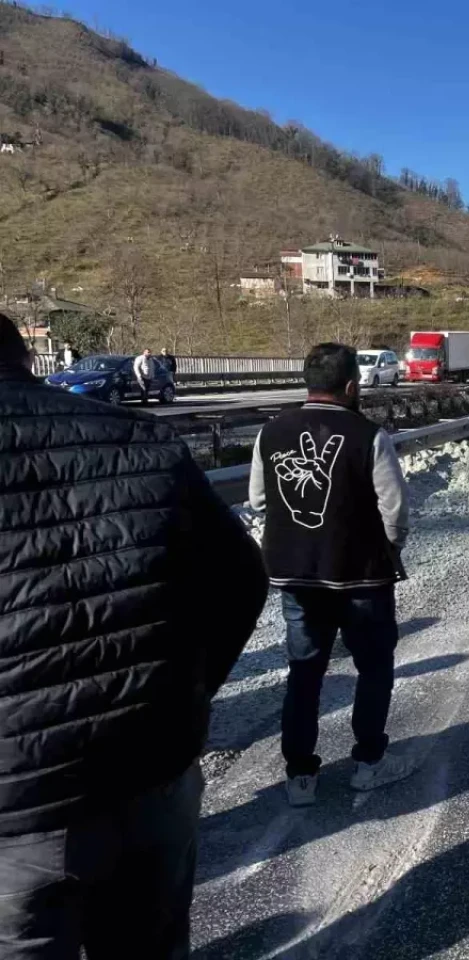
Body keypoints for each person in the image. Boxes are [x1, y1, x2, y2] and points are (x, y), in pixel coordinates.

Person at [0, 312, 267, 956]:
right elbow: (240, 581)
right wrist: (183, 695)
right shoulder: (140, 438)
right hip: (153, 774)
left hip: (16, 811)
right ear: (26, 361)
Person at [250, 342, 415, 806]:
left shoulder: (271, 432)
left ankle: (300, 776)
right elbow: (396, 510)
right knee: (373, 667)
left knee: (304, 672)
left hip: (295, 576)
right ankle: (368, 763)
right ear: (350, 386)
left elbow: (260, 502)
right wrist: (386, 548)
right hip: (361, 577)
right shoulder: (369, 435)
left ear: (308, 382)